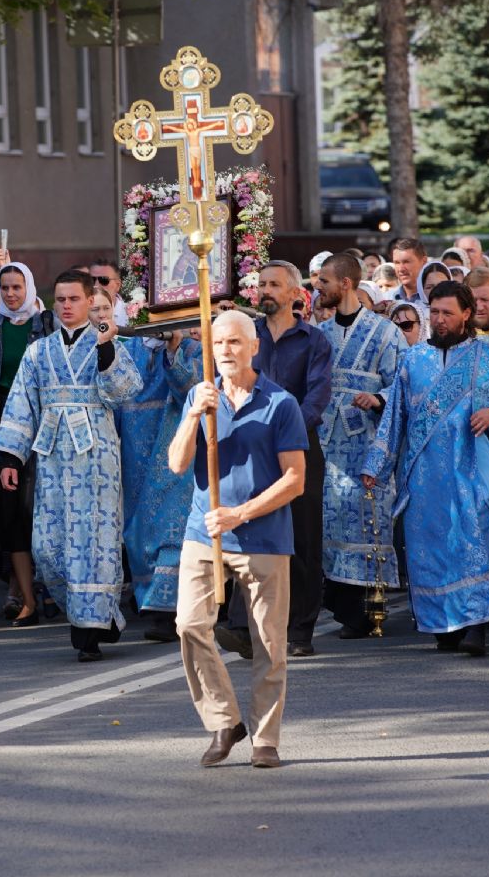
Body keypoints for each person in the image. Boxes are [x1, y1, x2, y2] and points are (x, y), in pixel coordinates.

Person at [362, 282, 489, 656]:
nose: (439, 320)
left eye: (447, 313)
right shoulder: (414, 361)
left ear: (465, 315)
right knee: (431, 549)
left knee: (475, 545)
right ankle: (443, 623)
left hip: (472, 469)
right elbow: (394, 417)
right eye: (434, 312)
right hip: (423, 476)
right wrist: (376, 464)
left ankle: (476, 626)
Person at [168, 310, 307, 769]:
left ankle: (265, 739)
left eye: (233, 343)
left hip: (263, 536)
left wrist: (241, 513)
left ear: (254, 347)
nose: (225, 352)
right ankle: (223, 720)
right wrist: (193, 415)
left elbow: (295, 480)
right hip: (202, 532)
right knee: (190, 625)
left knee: (268, 644)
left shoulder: (280, 403)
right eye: (218, 344)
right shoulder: (198, 395)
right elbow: (175, 463)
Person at [0, 270, 143, 661]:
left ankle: (89, 632)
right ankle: (98, 617)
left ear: (90, 301)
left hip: (96, 459)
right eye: (60, 300)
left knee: (93, 544)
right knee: (49, 547)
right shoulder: (38, 351)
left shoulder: (103, 341)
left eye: (74, 299)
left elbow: (125, 391)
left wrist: (108, 347)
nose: (66, 306)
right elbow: (22, 405)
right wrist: (10, 457)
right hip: (54, 459)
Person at [222, 262, 331, 659]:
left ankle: (299, 629)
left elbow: (317, 397)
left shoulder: (313, 340)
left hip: (297, 447)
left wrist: (282, 431)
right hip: (250, 448)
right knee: (247, 530)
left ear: (294, 295)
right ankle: (242, 626)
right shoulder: (248, 337)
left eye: (274, 285)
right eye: (262, 284)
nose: (265, 290)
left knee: (300, 538)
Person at [311, 253, 407, 638]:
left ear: (345, 284)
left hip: (368, 440)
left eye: (324, 282)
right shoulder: (321, 334)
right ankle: (342, 605)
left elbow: (402, 382)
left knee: (368, 522)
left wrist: (378, 399)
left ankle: (366, 611)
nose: (318, 289)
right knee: (332, 519)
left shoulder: (385, 332)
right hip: (328, 444)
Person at [0, 262, 55, 625]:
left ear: (29, 288)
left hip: (44, 420)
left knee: (41, 506)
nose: (12, 294)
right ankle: (22, 593)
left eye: (18, 287)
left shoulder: (46, 326)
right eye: (6, 288)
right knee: (10, 510)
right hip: (0, 421)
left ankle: (49, 588)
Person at [115, 310, 202, 642]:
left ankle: (170, 611)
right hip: (135, 449)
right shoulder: (130, 349)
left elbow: (192, 391)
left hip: (174, 446)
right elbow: (117, 395)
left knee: (172, 525)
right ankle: (149, 602)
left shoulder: (192, 348)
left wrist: (173, 352)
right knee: (139, 527)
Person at [87, 257, 131, 326]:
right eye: (92, 280)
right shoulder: (80, 314)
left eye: (104, 280)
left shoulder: (133, 315)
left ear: (117, 285)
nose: (96, 285)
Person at [390, 239, 428, 304]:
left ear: (423, 262)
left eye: (406, 262)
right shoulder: (387, 298)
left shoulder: (436, 298)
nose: (401, 269)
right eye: (397, 263)